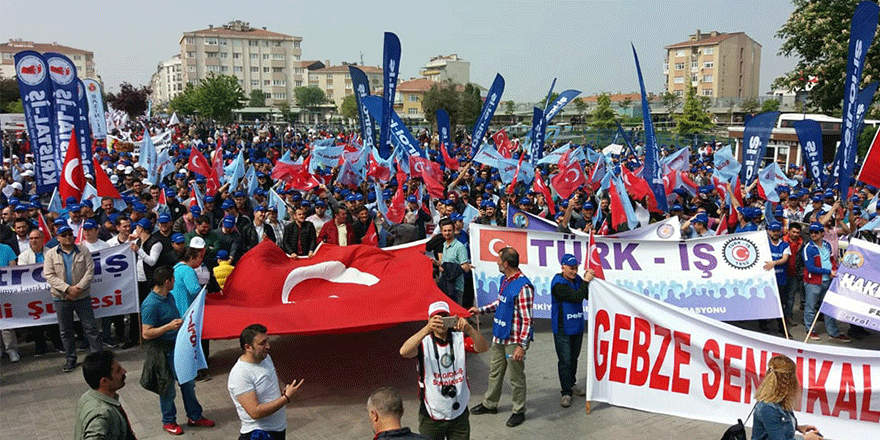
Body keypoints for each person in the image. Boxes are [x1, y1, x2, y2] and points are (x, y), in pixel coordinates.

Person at [140, 266, 214, 435]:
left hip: (177, 349)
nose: (175, 282)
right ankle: (168, 421)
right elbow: (146, 333)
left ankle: (195, 416)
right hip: (161, 353)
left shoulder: (170, 297)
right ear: (167, 282)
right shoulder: (150, 305)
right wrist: (168, 327)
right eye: (173, 279)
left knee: (188, 383)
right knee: (167, 389)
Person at [399, 301, 488, 440]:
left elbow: (482, 347)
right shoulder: (423, 342)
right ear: (429, 320)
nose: (441, 322)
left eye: (444, 317)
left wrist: (469, 329)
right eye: (436, 318)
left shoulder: (460, 338)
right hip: (432, 416)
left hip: (459, 412)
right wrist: (426, 329)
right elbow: (404, 351)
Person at [467, 247, 533, 427]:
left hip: (513, 340)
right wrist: (480, 310)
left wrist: (522, 345)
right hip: (500, 336)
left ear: (506, 263)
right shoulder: (505, 280)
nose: (496, 262)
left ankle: (518, 410)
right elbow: (500, 303)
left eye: (498, 259)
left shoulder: (523, 286)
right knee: (495, 372)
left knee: (516, 378)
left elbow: (527, 319)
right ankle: (490, 404)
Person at [228, 324, 304, 440]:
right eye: (262, 343)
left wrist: (282, 387)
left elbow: (271, 375)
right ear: (248, 347)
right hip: (258, 434)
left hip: (277, 430)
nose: (268, 346)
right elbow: (255, 412)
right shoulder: (240, 375)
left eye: (267, 341)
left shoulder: (265, 358)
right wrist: (286, 398)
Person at [44, 224, 102, 372]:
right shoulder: (51, 254)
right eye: (64, 235)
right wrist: (67, 289)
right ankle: (70, 358)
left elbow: (90, 271)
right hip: (61, 297)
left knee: (90, 327)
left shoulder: (83, 250)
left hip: (82, 295)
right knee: (66, 330)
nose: (68, 237)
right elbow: (49, 275)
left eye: (70, 234)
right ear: (58, 238)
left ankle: (98, 357)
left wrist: (78, 289)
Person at [550, 254, 594, 407]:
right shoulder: (558, 284)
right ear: (563, 267)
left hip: (577, 326)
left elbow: (587, 295)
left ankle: (572, 383)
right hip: (563, 329)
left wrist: (591, 282)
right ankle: (566, 392)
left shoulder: (577, 281)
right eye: (571, 268)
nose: (574, 272)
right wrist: (586, 281)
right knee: (565, 360)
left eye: (576, 268)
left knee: (574, 358)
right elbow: (576, 297)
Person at [751, 355, 823, 440]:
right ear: (789, 381)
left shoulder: (780, 401)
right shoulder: (767, 408)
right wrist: (806, 439)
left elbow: (779, 423)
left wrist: (798, 427)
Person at [803, 222, 850, 342]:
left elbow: (831, 259)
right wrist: (829, 271)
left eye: (816, 232)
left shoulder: (827, 245)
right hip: (813, 281)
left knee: (829, 307)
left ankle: (833, 332)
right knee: (810, 307)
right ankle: (809, 329)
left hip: (828, 280)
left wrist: (834, 269)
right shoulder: (808, 248)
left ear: (822, 233)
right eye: (811, 232)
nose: (813, 234)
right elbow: (810, 267)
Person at [74, 351, 136, 440]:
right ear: (104, 381)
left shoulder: (87, 397)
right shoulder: (101, 414)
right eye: (118, 371)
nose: (124, 371)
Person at [435, 219, 472, 305]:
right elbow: (444, 264)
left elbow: (465, 268)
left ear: (454, 231)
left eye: (449, 230)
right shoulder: (444, 245)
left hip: (456, 288)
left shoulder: (459, 247)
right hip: (445, 287)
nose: (447, 233)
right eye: (445, 231)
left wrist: (449, 269)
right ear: (441, 231)